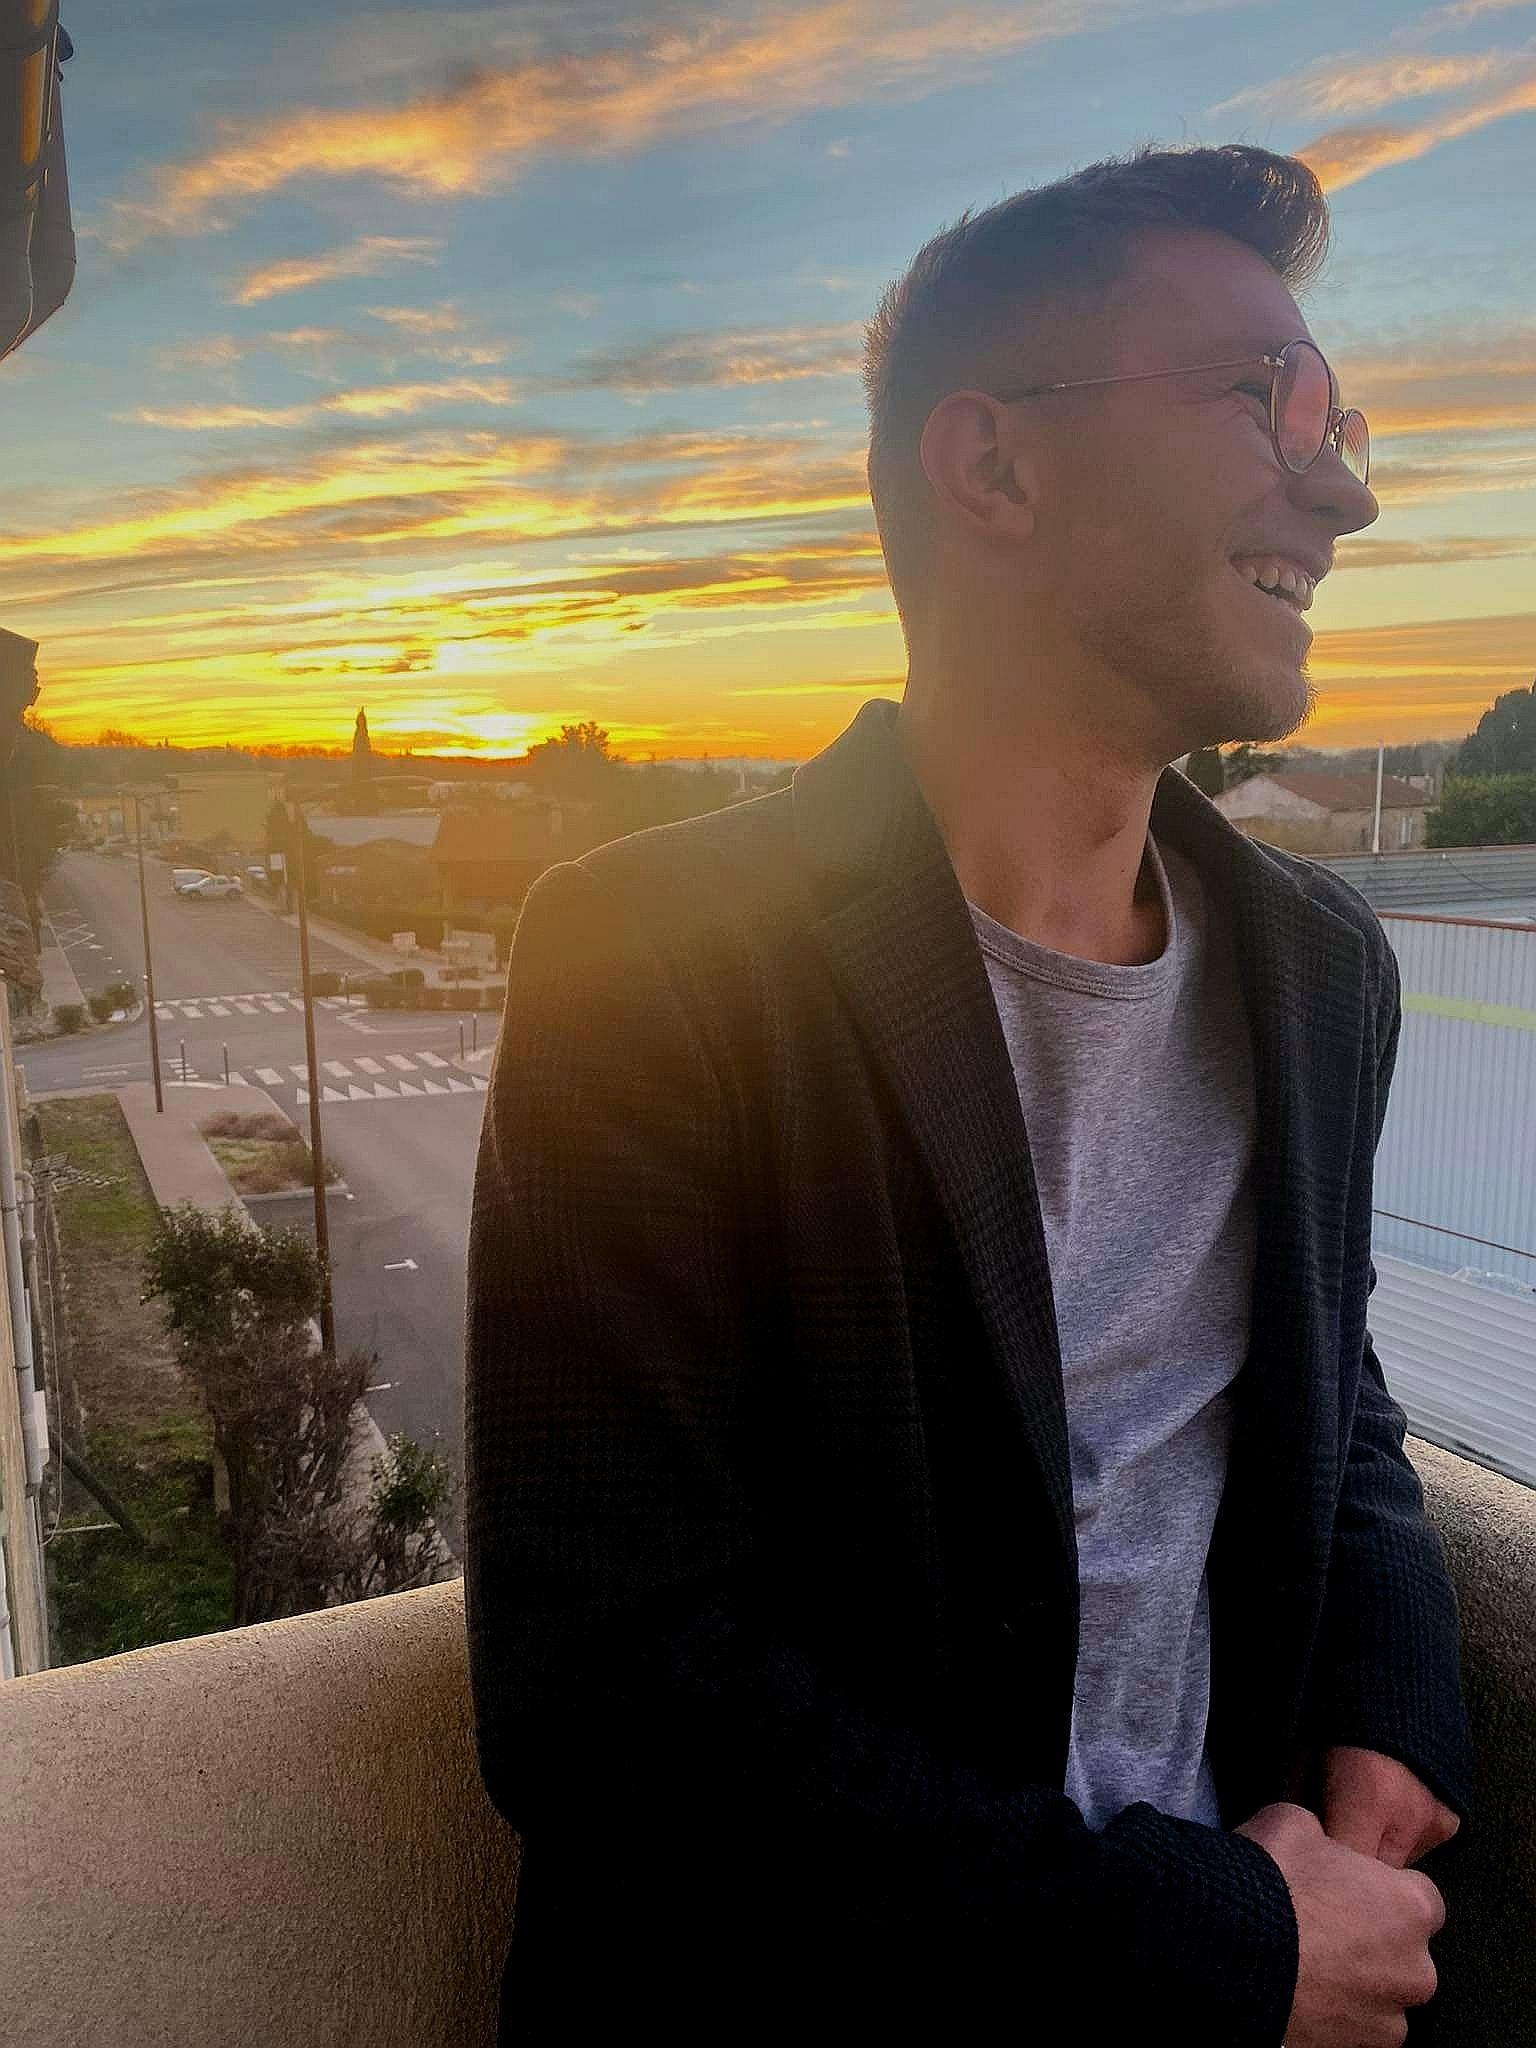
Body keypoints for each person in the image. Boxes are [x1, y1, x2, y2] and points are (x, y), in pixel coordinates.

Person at [464, 144, 1471, 2044]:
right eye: (1265, 396)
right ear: (994, 466)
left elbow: (1331, 1395)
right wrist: (1216, 1952)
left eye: (1340, 415)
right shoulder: (653, 961)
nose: (1342, 486)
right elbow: (609, 1693)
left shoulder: (1321, 969)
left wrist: (1389, 1704)